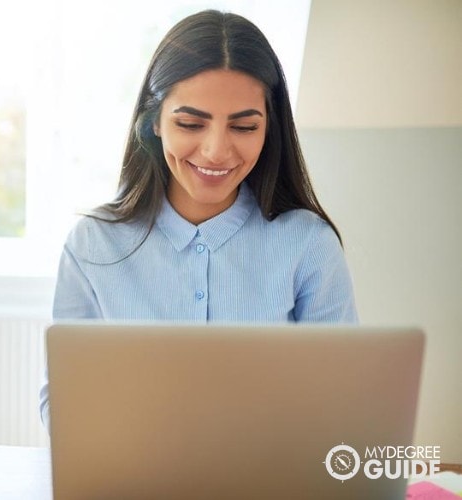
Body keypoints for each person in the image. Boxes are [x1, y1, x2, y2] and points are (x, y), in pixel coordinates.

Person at [39, 10, 358, 429]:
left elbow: (344, 398)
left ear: (269, 130)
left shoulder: (308, 244)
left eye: (244, 127)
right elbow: (63, 402)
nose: (216, 151)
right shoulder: (92, 245)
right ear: (154, 121)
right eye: (190, 123)